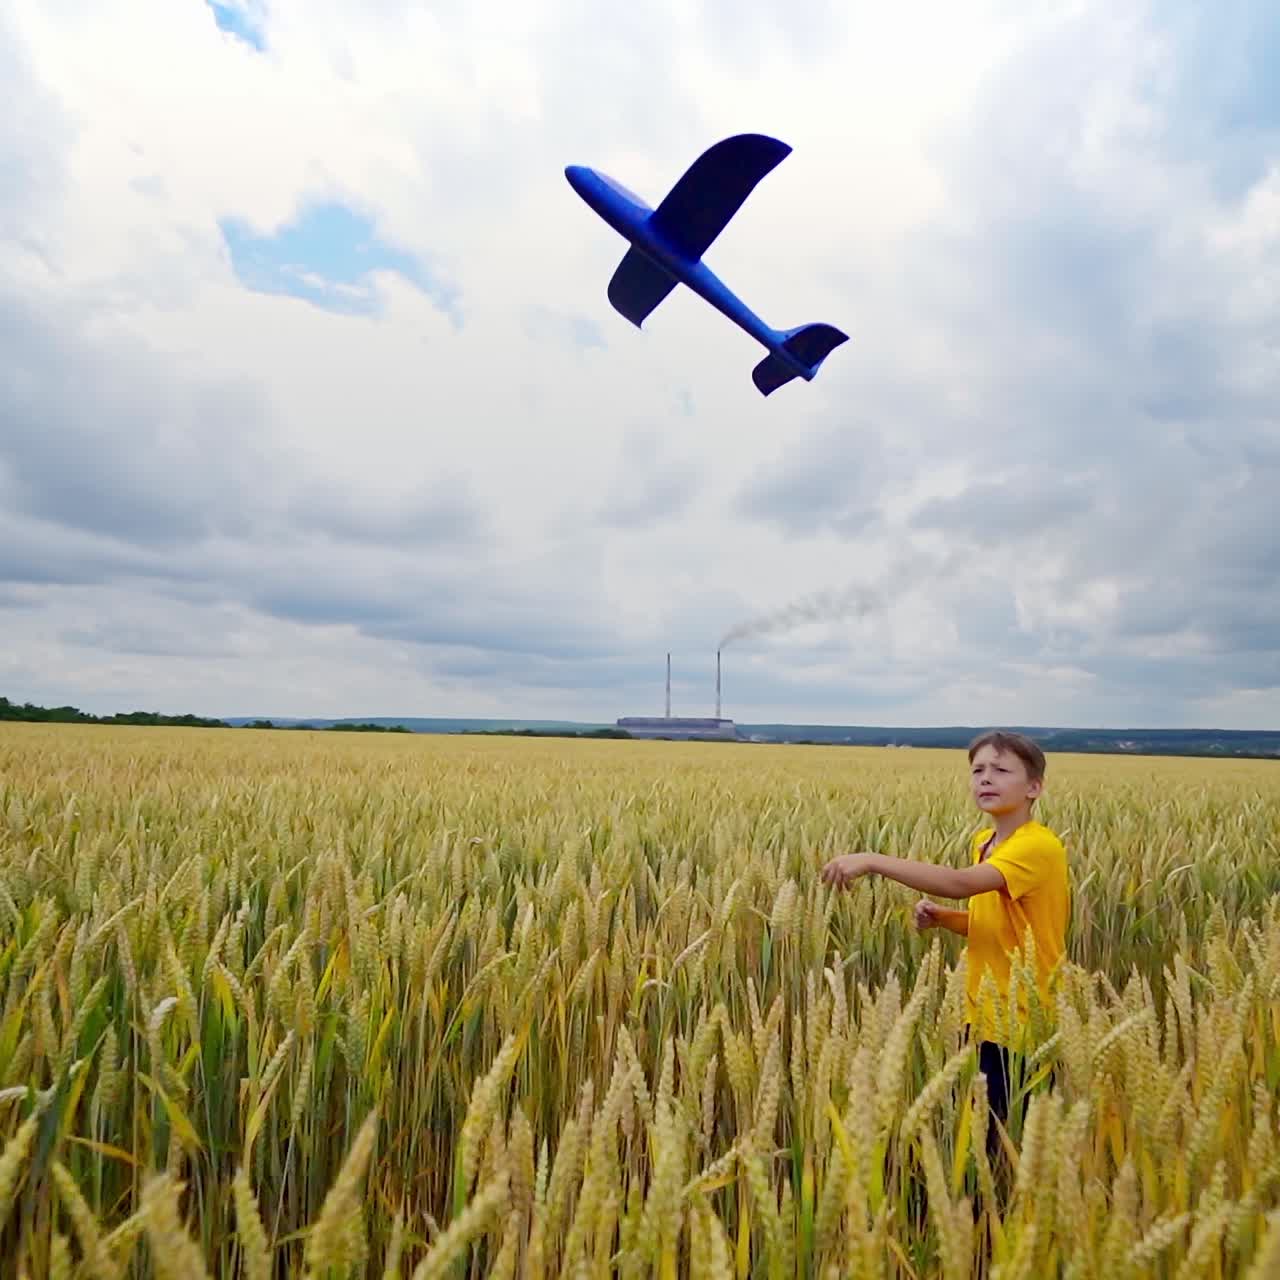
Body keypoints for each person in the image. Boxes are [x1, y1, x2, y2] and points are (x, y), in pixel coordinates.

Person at [820, 730, 1069, 1161]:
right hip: (979, 1011)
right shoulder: (986, 842)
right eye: (977, 770)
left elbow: (960, 884)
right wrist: (947, 920)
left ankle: (992, 1225)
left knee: (997, 1148)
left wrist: (873, 860)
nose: (985, 779)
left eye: (1001, 770)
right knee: (973, 1139)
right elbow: (1001, 922)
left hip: (1022, 1020)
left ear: (1034, 787)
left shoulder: (1037, 846)